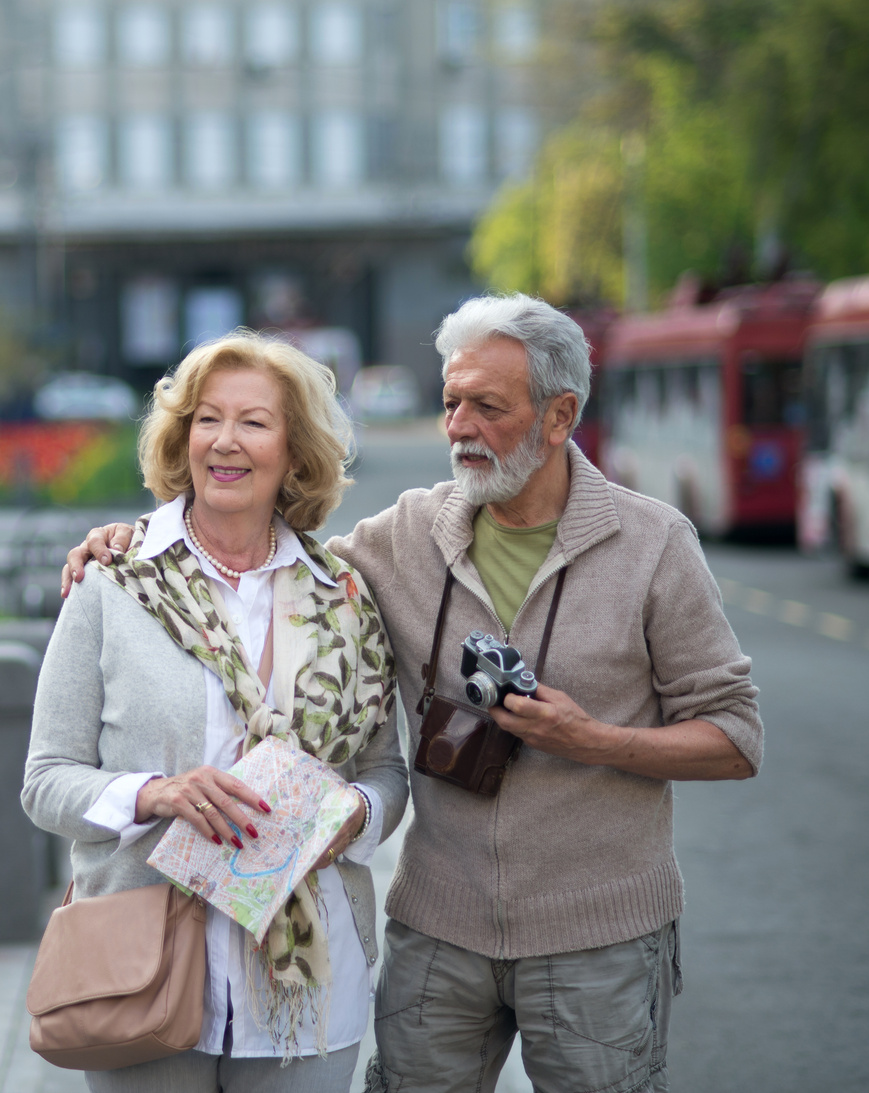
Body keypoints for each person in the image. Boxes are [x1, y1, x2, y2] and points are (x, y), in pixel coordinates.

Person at [63, 295, 763, 1093]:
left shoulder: (653, 544)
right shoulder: (398, 537)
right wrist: (134, 543)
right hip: (438, 933)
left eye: (487, 407)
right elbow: (259, 558)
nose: (459, 426)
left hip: (596, 936)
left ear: (559, 415)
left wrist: (593, 739)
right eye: (450, 402)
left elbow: (735, 739)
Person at [22, 331, 407, 1093]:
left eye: (253, 422)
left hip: (311, 986)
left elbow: (384, 771)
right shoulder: (114, 580)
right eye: (206, 418)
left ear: (293, 451)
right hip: (139, 969)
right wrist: (155, 793)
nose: (225, 440)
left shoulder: (344, 597)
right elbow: (45, 781)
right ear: (181, 437)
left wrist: (353, 815)